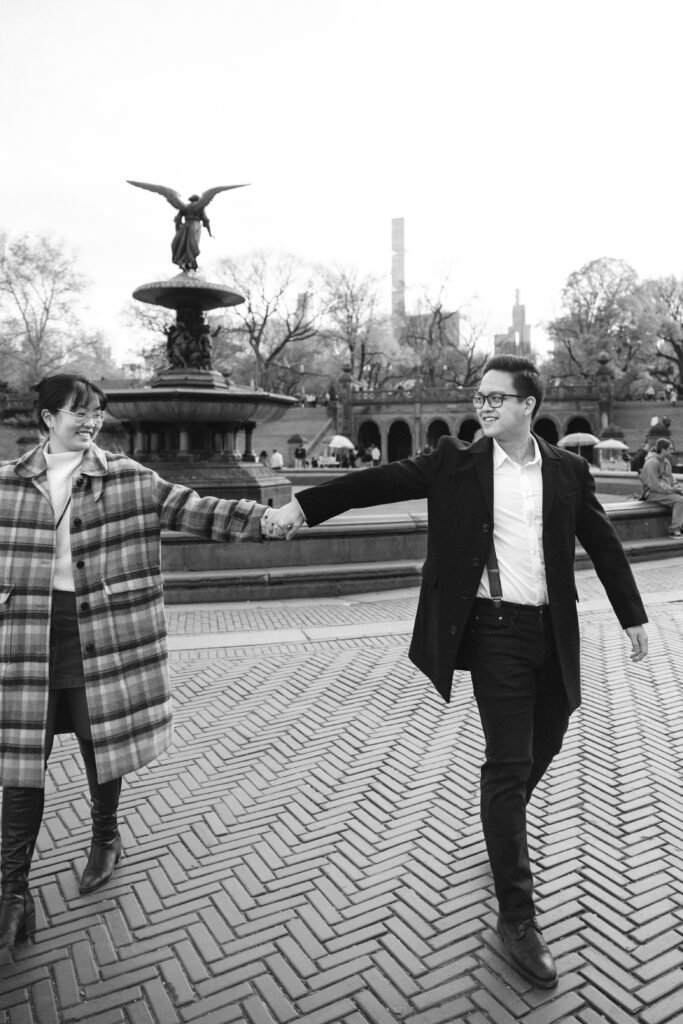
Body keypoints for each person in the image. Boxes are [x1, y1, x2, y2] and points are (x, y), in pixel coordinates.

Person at [270, 355, 648, 989]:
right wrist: (302, 510)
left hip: (553, 629)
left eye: (499, 397)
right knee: (506, 762)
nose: (486, 406)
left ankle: (502, 823)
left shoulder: (568, 470)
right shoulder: (455, 462)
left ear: (530, 405)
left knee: (545, 742)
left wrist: (631, 615)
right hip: (494, 629)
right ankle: (519, 919)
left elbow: (603, 541)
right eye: (481, 396)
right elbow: (374, 483)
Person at [0, 373, 282, 962]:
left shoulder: (127, 477)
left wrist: (268, 520)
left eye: (97, 412)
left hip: (100, 632)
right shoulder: (6, 484)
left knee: (103, 744)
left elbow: (197, 509)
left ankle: (106, 838)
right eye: (78, 412)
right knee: (21, 764)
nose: (90, 421)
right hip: (25, 637)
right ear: (46, 417)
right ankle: (12, 891)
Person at [639, 438, 683, 536]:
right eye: (670, 449)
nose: (673, 451)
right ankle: (674, 529)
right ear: (663, 450)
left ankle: (680, 525)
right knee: (680, 500)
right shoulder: (651, 463)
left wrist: (678, 488)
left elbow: (672, 479)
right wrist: (672, 490)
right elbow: (654, 484)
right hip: (652, 493)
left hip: (664, 492)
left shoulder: (666, 462)